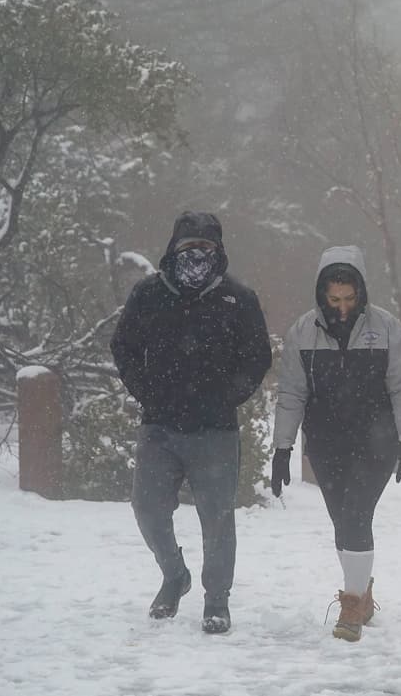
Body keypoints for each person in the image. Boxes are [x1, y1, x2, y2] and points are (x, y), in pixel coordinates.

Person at [110, 211, 272, 634]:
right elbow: (123, 346)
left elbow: (258, 357)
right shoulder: (148, 294)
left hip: (216, 430)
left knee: (217, 519)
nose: (196, 255)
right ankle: (174, 575)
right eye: (187, 247)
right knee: (147, 509)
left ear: (218, 250)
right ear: (173, 248)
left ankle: (216, 599)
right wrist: (146, 390)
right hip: (159, 426)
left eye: (204, 247)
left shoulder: (238, 297)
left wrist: (227, 396)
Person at [271, 245, 401, 642]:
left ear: (362, 292)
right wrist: (282, 448)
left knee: (355, 514)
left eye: (349, 299)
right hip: (325, 443)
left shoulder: (387, 329)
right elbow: (292, 393)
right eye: (334, 299)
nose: (341, 308)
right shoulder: (302, 332)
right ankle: (362, 592)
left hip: (377, 440)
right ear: (322, 294)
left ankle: (352, 604)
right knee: (343, 520)